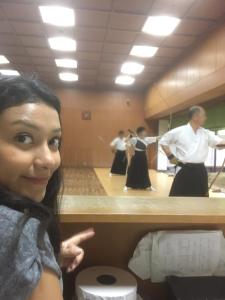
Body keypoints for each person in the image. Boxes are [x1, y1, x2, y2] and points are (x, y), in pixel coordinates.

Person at [0, 75, 95, 300]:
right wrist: (31, 248)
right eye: (23, 138)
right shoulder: (19, 230)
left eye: (54, 142)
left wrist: (47, 255)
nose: (48, 160)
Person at [159, 105, 225, 197]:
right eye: (203, 115)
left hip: (200, 170)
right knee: (179, 200)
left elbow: (219, 142)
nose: (205, 118)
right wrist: (170, 156)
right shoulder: (179, 131)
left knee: (200, 200)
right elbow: (163, 141)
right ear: (195, 117)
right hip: (184, 169)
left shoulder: (206, 133)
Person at [124, 126, 158, 191]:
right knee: (133, 170)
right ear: (140, 133)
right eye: (144, 132)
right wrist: (130, 135)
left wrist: (166, 135)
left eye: (145, 132)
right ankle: (128, 186)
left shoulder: (147, 139)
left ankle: (148, 186)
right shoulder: (134, 139)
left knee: (144, 171)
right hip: (136, 156)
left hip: (143, 157)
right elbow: (125, 141)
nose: (145, 133)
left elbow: (156, 138)